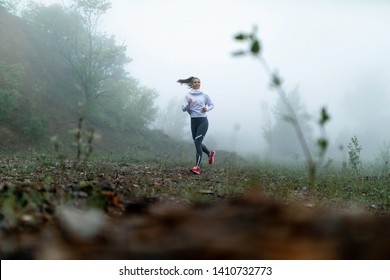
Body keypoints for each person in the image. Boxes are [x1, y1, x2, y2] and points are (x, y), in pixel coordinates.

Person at [178, 76, 215, 174]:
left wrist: (206, 109)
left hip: (203, 121)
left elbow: (212, 105)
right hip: (193, 121)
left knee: (198, 141)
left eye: (199, 82)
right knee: (196, 142)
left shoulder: (204, 95)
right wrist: (188, 104)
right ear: (192, 84)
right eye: (195, 82)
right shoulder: (187, 96)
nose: (197, 83)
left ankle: (197, 167)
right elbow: (183, 109)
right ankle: (209, 153)